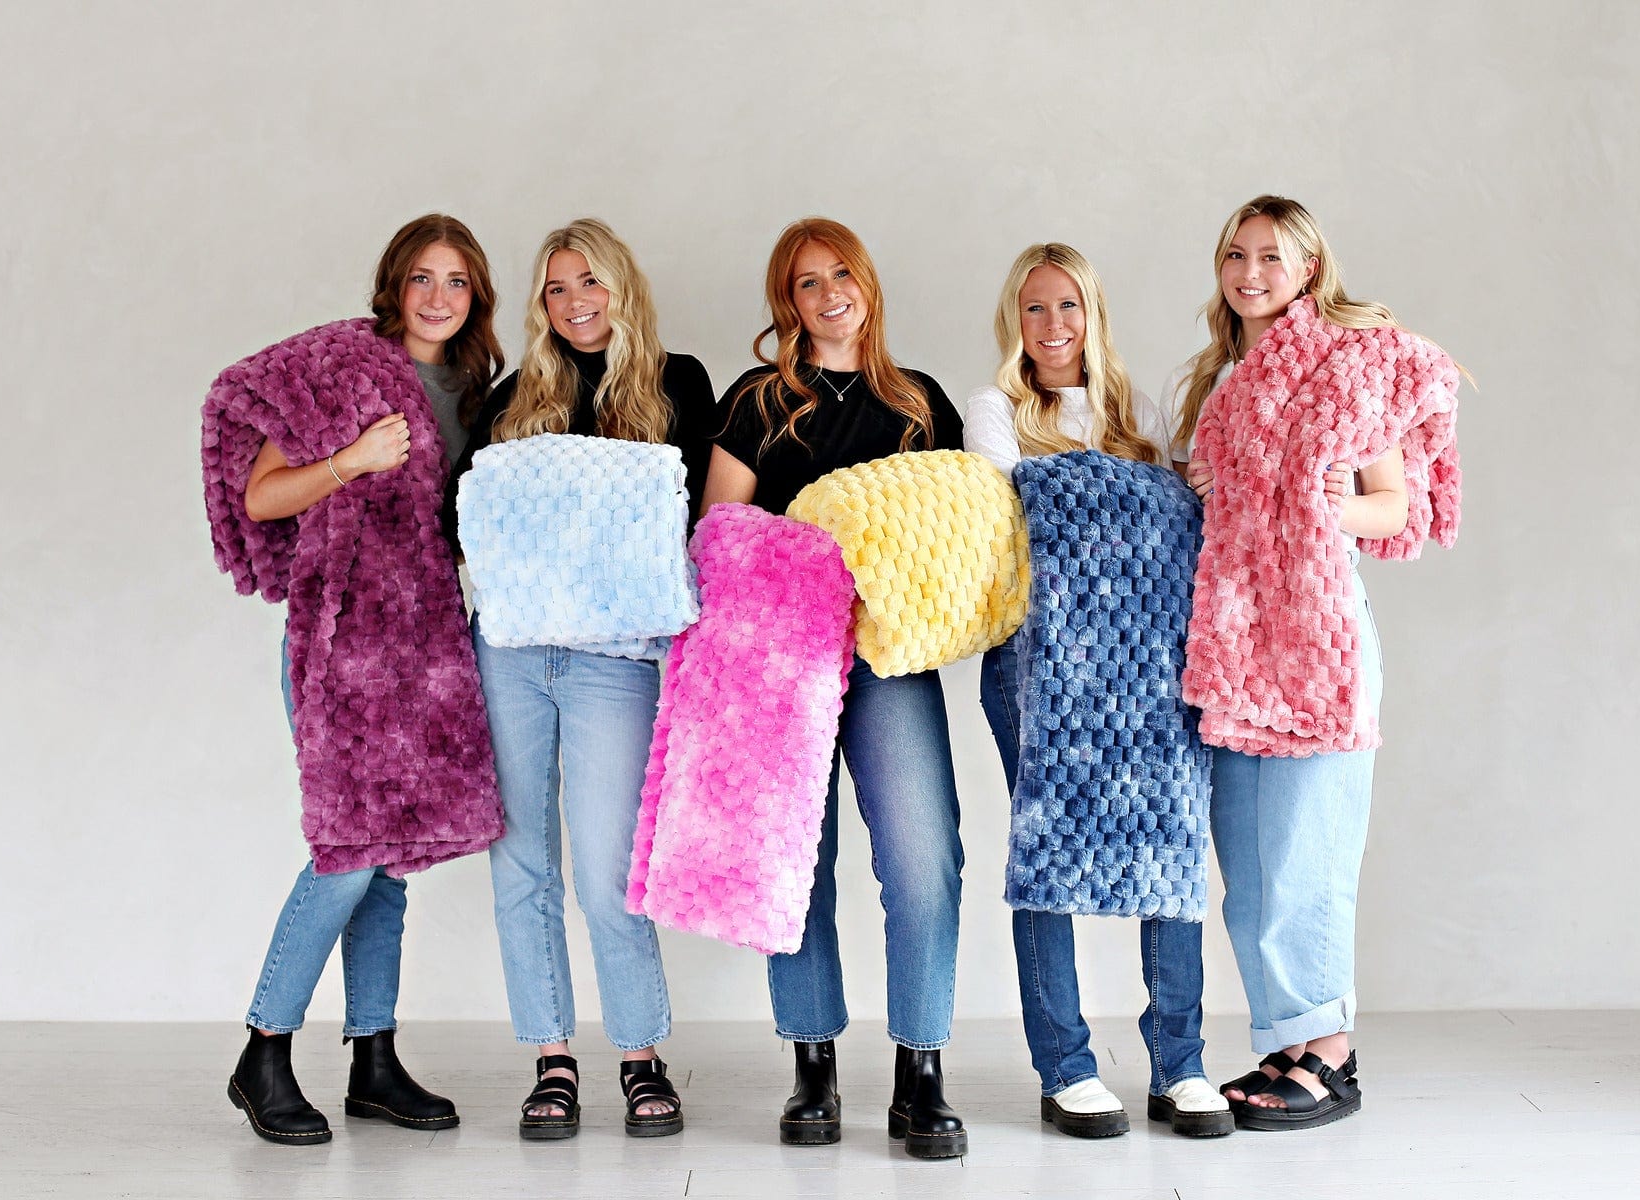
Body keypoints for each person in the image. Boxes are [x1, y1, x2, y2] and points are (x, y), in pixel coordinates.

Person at [1156, 195, 1460, 1131]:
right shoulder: (1225, 379)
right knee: (1251, 861)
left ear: (1310, 270)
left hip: (1317, 639)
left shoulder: (1349, 365)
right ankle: (1288, 1046)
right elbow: (1226, 520)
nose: (1251, 273)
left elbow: (1396, 514)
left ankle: (1331, 1053)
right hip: (1239, 640)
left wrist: (1330, 505)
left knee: (1309, 853)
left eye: (1272, 258)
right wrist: (1199, 483)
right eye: (1235, 255)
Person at [213, 213, 505, 1145]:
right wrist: (348, 462)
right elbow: (263, 495)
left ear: (476, 298)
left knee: (391, 859)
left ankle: (373, 1059)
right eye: (422, 277)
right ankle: (263, 1050)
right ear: (394, 283)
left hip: (425, 646)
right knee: (348, 849)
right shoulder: (338, 367)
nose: (437, 297)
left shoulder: (475, 388)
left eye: (456, 281)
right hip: (341, 642)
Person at [702, 217, 970, 1160]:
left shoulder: (920, 404)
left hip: (892, 660)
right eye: (806, 282)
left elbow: (959, 535)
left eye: (841, 274)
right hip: (781, 662)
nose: (828, 295)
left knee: (923, 861)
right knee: (796, 866)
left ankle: (920, 1071)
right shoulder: (755, 402)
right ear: (788, 302)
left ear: (867, 283)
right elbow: (718, 535)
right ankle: (811, 1065)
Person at [963, 242, 1234, 1139]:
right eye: (1035, 309)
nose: (1053, 326)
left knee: (1170, 846)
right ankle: (1065, 1067)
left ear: (1093, 314)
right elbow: (1009, 517)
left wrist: (1096, 495)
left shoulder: (1136, 408)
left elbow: (1173, 513)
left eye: (1068, 306)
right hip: (1035, 663)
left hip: (1148, 666)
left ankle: (1180, 1065)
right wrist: (1123, 495)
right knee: (1048, 844)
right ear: (1016, 319)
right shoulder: (992, 409)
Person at [454, 218, 715, 1139]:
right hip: (514, 650)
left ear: (622, 287)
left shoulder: (675, 383)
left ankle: (640, 1054)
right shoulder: (514, 395)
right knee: (522, 864)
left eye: (590, 283)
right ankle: (550, 1057)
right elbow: (468, 515)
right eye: (557, 290)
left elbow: (695, 523)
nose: (575, 304)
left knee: (609, 871)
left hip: (618, 656)